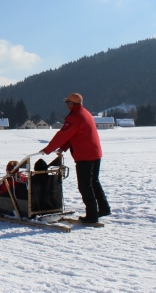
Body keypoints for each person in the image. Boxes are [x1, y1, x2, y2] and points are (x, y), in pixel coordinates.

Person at [39, 93, 111, 223]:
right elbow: (74, 135)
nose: (66, 104)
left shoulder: (75, 117)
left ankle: (92, 215)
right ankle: (104, 208)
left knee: (85, 186)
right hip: (95, 153)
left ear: (72, 104)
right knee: (94, 181)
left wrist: (47, 149)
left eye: (67, 102)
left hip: (85, 155)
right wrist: (63, 148)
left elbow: (63, 135)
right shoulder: (85, 113)